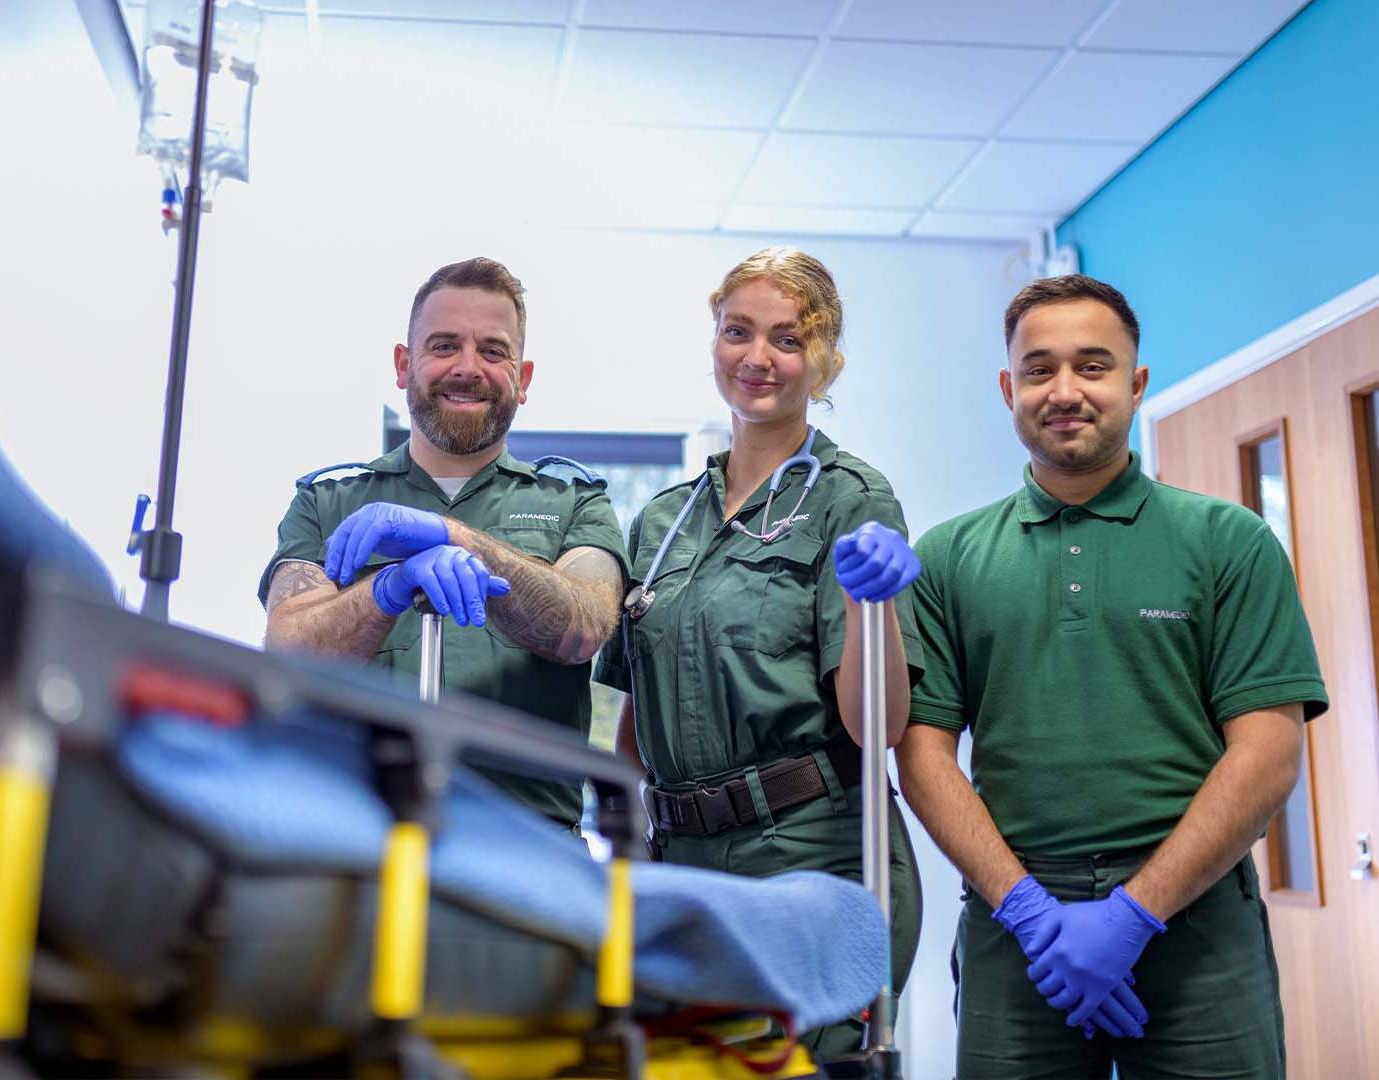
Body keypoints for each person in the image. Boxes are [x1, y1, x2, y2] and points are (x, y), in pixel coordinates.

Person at [896, 274, 1328, 1078]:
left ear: (1135, 384)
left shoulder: (1228, 543)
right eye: (1038, 369)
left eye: (1093, 366)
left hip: (1196, 923)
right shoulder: (948, 558)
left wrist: (1136, 915)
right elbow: (922, 755)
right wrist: (1029, 914)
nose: (1065, 390)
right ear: (1007, 389)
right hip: (1014, 925)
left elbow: (1268, 754)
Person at [593, 247, 924, 1061]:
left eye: (787, 338)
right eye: (737, 331)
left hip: (810, 853)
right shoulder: (665, 519)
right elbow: (635, 733)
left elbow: (875, 726)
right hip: (682, 863)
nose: (758, 357)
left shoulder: (852, 498)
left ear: (824, 359)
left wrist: (867, 600)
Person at [258, 257, 628, 828]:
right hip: (353, 832)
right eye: (444, 345)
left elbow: (583, 625)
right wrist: (386, 588)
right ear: (404, 365)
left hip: (525, 846)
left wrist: (458, 538)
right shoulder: (326, 503)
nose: (467, 367)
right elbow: (290, 652)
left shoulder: (575, 502)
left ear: (523, 379)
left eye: (493, 351)